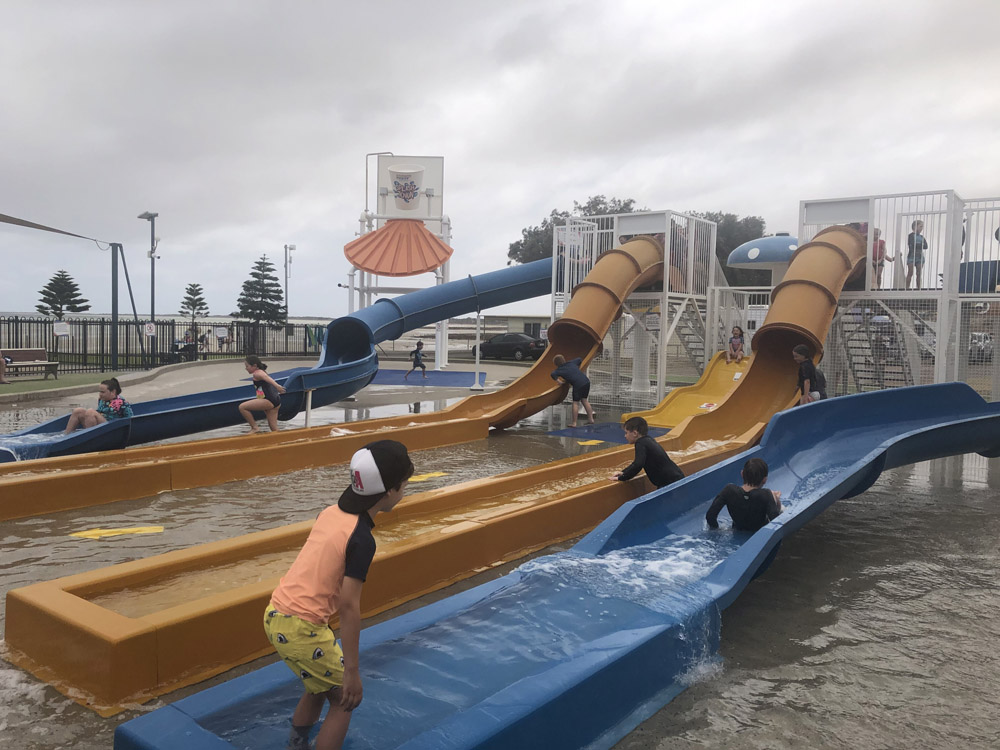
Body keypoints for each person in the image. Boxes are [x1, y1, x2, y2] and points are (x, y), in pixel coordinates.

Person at [264, 440, 414, 750]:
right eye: (403, 486)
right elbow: (348, 606)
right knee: (346, 700)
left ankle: (297, 744)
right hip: (303, 628)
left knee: (319, 687)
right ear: (389, 492)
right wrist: (353, 672)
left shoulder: (330, 513)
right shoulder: (361, 540)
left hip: (276, 615)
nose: (404, 492)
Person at [706, 457, 783, 532]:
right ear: (764, 480)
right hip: (758, 533)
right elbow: (776, 523)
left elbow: (710, 516)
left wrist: (716, 530)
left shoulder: (729, 490)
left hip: (737, 531)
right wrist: (775, 499)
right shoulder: (766, 495)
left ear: (742, 474)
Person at [611, 416, 684, 488]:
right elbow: (636, 463)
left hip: (669, 482)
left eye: (626, 433)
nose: (625, 436)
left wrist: (622, 478)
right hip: (675, 477)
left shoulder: (640, 443)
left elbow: (638, 464)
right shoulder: (648, 440)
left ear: (635, 433)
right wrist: (623, 472)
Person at [63, 377, 134, 432]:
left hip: (111, 428)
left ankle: (88, 438)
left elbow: (131, 418)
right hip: (99, 426)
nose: (100, 394)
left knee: (90, 412)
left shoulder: (121, 403)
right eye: (99, 392)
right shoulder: (101, 400)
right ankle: (66, 436)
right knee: (78, 411)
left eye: (103, 392)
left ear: (113, 392)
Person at [238, 355, 286, 433]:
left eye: (247, 366)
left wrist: (277, 386)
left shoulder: (258, 373)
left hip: (268, 400)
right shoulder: (261, 371)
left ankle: (254, 427)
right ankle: (282, 441)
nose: (246, 368)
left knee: (242, 407)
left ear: (254, 366)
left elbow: (267, 378)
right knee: (274, 428)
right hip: (276, 400)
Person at [550, 354, 595, 428]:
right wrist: (578, 369)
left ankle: (574, 423)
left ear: (556, 364)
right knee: (584, 400)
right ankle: (591, 419)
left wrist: (559, 381)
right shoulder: (571, 363)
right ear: (564, 360)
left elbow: (552, 374)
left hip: (578, 384)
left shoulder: (559, 370)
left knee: (575, 403)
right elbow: (579, 359)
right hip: (586, 381)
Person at [906, 219, 929, 290]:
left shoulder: (922, 237)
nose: (921, 228)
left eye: (922, 227)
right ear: (915, 227)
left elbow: (926, 246)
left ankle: (919, 288)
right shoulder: (911, 236)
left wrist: (918, 245)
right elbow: (911, 244)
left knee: (919, 273)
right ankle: (907, 287)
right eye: (920, 226)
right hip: (911, 256)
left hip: (920, 257)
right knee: (910, 272)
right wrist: (920, 245)